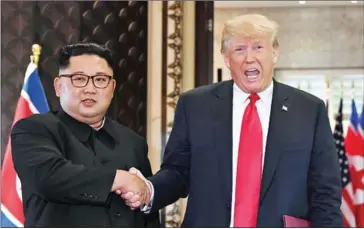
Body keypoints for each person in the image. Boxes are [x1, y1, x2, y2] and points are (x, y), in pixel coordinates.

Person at [121, 14, 343, 227]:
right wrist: (149, 190)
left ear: (274, 53)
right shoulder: (195, 105)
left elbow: (325, 194)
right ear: (227, 58)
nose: (250, 58)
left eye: (258, 47)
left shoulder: (309, 110)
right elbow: (177, 173)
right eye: (239, 49)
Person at [11, 43, 160, 227]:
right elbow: (49, 178)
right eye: (79, 79)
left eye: (100, 80)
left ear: (112, 88)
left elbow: (148, 217)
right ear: (58, 86)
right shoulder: (33, 129)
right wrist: (120, 180)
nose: (90, 89)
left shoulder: (133, 142)